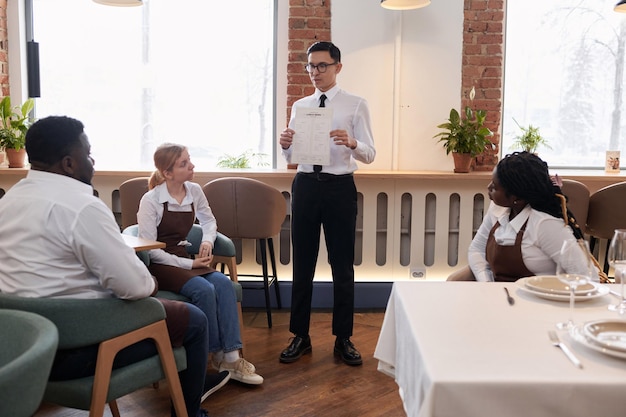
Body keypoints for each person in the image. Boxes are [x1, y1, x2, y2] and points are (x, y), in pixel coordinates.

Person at [0, 116, 229, 417]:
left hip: (21, 345)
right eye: (89, 153)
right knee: (195, 321)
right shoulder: (83, 208)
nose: (92, 162)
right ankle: (190, 412)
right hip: (79, 348)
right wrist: (151, 282)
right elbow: (135, 287)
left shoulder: (10, 200)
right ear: (69, 163)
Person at [278, 41, 376, 366]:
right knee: (302, 264)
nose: (315, 72)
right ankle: (300, 336)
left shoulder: (355, 104)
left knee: (342, 264)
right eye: (310, 66)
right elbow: (293, 157)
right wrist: (286, 145)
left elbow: (370, 154)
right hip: (305, 185)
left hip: (339, 187)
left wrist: (353, 142)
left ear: (338, 67)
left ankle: (343, 338)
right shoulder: (300, 105)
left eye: (322, 66)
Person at [137, 143, 263, 385]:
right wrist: (190, 265)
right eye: (184, 164)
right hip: (163, 264)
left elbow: (209, 221)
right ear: (167, 173)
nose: (192, 166)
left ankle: (232, 357)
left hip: (186, 259)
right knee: (204, 289)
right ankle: (216, 354)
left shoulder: (194, 190)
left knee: (223, 284)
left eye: (189, 160)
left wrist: (207, 241)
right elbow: (152, 251)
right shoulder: (150, 200)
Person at [467, 151, 602, 282]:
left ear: (517, 199)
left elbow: (588, 277)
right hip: (501, 295)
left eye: (494, 187)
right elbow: (476, 250)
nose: (488, 187)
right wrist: (486, 282)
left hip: (539, 298)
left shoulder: (545, 224)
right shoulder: (498, 208)